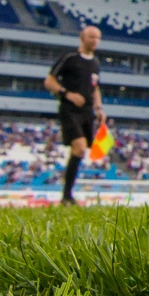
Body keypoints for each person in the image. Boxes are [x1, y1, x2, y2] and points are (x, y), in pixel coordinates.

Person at [43, 25, 104, 205]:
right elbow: (49, 80)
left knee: (81, 150)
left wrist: (99, 108)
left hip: (87, 111)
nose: (95, 41)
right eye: (91, 37)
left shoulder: (95, 63)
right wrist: (66, 93)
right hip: (69, 109)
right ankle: (66, 196)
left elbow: (95, 88)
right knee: (79, 146)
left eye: (98, 38)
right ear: (82, 37)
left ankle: (68, 195)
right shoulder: (69, 58)